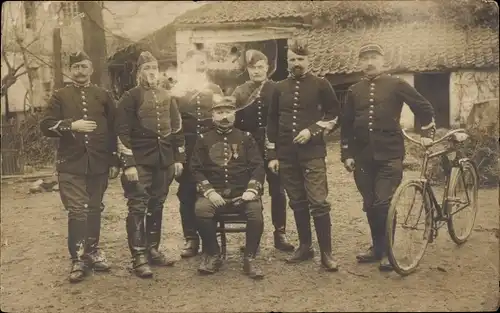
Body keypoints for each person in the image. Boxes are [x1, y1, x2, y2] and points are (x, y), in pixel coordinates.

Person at [340, 43, 435, 271]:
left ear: (383, 61)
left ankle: (388, 252)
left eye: (374, 57)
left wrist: (427, 133)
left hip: (390, 154)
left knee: (383, 202)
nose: (370, 62)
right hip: (363, 158)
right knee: (371, 204)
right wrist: (347, 153)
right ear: (360, 63)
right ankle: (377, 248)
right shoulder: (354, 90)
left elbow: (423, 107)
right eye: (365, 59)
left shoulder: (396, 84)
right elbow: (347, 124)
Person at [40, 51, 119, 283]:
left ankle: (92, 251)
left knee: (94, 208)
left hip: (98, 162)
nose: (80, 71)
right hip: (71, 164)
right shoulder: (60, 96)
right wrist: (70, 125)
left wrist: (114, 160)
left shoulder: (103, 95)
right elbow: (45, 126)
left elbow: (114, 129)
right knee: (77, 210)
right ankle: (78, 258)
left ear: (91, 69)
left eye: (84, 66)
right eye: (76, 67)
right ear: (70, 70)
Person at [266, 39, 341, 272]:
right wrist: (273, 155)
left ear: (309, 60)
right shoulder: (278, 88)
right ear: (287, 62)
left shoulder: (321, 84)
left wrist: (313, 130)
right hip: (287, 155)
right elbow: (272, 122)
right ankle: (305, 246)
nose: (296, 63)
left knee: (318, 202)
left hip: (313, 154)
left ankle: (326, 253)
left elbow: (335, 113)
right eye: (292, 60)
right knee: (297, 201)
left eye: (300, 59)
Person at [115, 51, 185, 278]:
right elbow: (122, 132)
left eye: (154, 68)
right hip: (140, 161)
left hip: (164, 160)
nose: (151, 72)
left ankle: (152, 249)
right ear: (139, 73)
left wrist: (178, 159)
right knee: (137, 206)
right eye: (146, 68)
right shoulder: (129, 97)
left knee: (157, 204)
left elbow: (177, 129)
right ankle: (139, 257)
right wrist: (128, 164)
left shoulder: (167, 96)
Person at [190, 95, 266, 280]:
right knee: (201, 210)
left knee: (255, 212)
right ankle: (213, 254)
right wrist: (209, 192)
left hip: (243, 193)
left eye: (228, 111)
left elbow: (258, 166)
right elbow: (195, 168)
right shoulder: (203, 139)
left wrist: (251, 190)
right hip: (214, 194)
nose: (224, 116)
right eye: (219, 112)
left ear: (235, 114)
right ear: (212, 115)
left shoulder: (246, 138)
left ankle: (250, 258)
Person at [231, 49, 294, 252]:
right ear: (247, 69)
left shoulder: (277, 88)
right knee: (250, 190)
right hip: (249, 148)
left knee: (278, 190)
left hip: (274, 147)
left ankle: (280, 234)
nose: (256, 71)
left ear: (267, 68)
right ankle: (253, 238)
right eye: (252, 67)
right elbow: (234, 123)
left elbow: (285, 119)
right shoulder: (240, 91)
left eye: (260, 67)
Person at [172, 49, 224, 258]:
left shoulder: (214, 89)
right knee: (186, 194)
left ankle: (211, 238)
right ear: (186, 66)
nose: (200, 66)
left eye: (203, 63)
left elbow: (223, 119)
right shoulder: (177, 92)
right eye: (196, 62)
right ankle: (191, 238)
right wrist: (177, 156)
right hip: (187, 149)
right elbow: (172, 127)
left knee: (210, 192)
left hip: (211, 150)